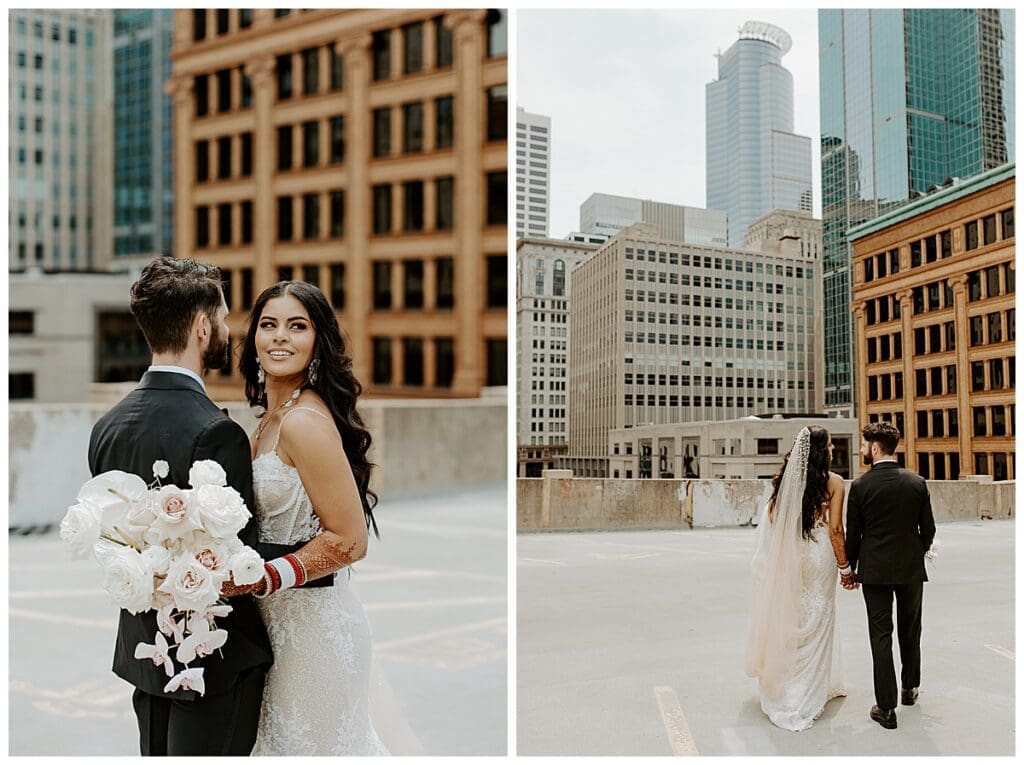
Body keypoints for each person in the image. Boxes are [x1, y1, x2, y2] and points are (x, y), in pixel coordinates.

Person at [88, 256, 273, 755]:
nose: (228, 329)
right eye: (224, 317)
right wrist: (322, 553)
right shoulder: (218, 431)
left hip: (143, 654)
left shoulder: (107, 427)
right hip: (210, 667)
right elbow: (240, 560)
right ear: (200, 326)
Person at [237, 281, 389, 755]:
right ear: (255, 340)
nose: (280, 337)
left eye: (296, 326)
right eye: (268, 325)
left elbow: (351, 539)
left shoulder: (303, 421)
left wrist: (264, 577)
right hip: (274, 635)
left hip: (314, 637)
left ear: (317, 341)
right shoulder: (269, 418)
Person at [745, 426, 851, 731]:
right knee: (820, 615)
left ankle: (789, 682)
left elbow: (775, 521)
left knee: (796, 614)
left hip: (797, 555)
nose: (833, 450)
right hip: (821, 559)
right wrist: (845, 568)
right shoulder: (834, 483)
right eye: (830, 446)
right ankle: (808, 688)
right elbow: (835, 530)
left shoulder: (785, 484)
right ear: (822, 451)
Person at [845, 422, 935, 730]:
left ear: (874, 448)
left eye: (863, 445)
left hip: (875, 571)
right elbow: (929, 530)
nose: (860, 450)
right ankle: (909, 688)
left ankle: (886, 708)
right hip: (911, 569)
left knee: (880, 635)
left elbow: (853, 536)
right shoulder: (917, 482)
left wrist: (852, 568)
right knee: (911, 630)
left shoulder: (859, 487)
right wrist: (915, 551)